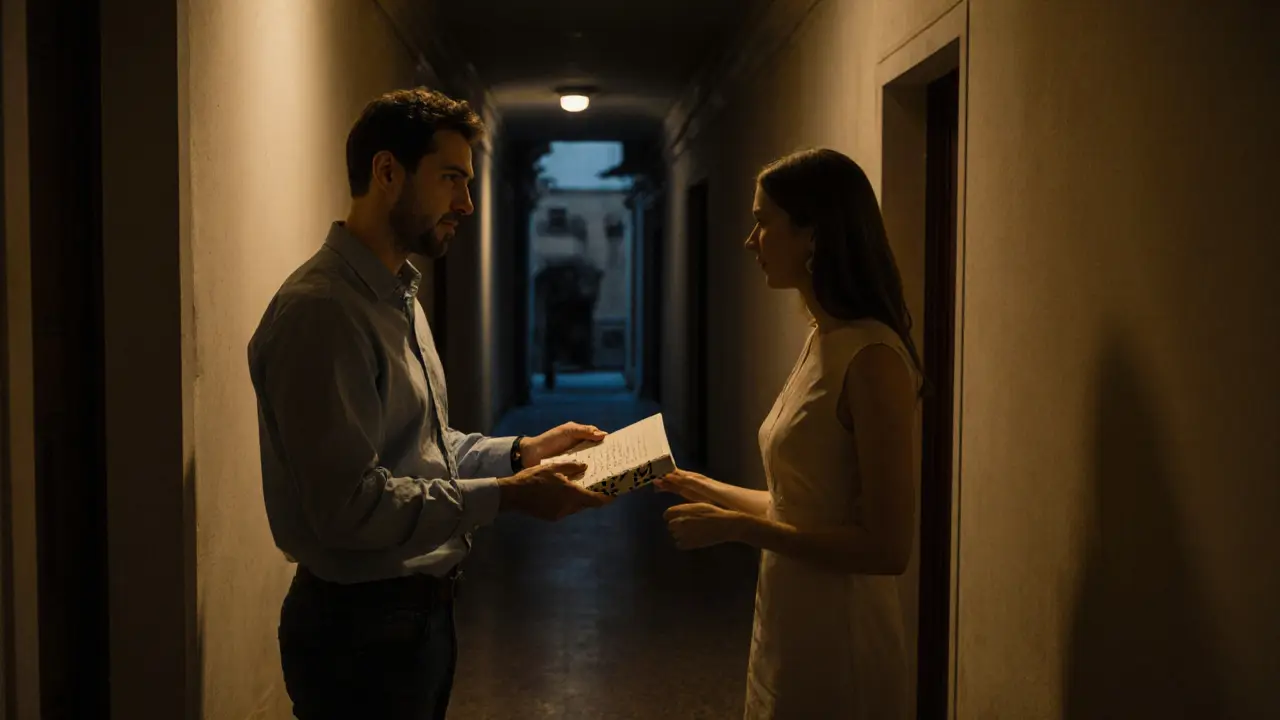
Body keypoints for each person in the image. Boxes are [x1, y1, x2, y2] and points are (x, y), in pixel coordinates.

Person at [247, 87, 612, 720]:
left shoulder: (398, 296)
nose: (466, 204)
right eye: (451, 179)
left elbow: (424, 450)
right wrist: (512, 495)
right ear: (388, 173)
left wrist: (520, 452)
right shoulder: (323, 313)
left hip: (412, 618)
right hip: (358, 634)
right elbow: (349, 508)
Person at [655, 148, 924, 719]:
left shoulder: (873, 359)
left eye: (763, 221)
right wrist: (699, 486)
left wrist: (736, 529)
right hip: (790, 618)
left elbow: (887, 547)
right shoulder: (820, 338)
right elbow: (797, 507)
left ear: (813, 235)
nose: (751, 240)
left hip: (842, 633)